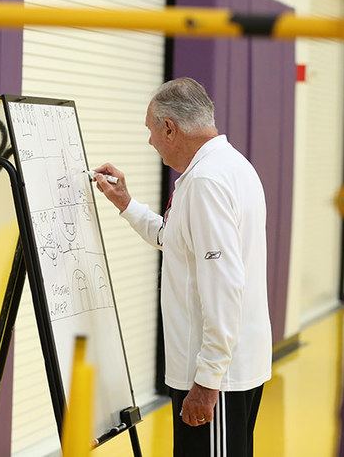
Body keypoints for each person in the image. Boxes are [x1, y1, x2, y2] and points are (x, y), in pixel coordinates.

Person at [94, 77, 271, 457]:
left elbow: (224, 286)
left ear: (170, 128)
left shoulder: (207, 182)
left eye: (151, 131)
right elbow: (176, 240)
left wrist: (207, 382)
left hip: (217, 379)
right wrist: (127, 204)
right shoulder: (229, 167)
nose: (150, 142)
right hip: (225, 370)